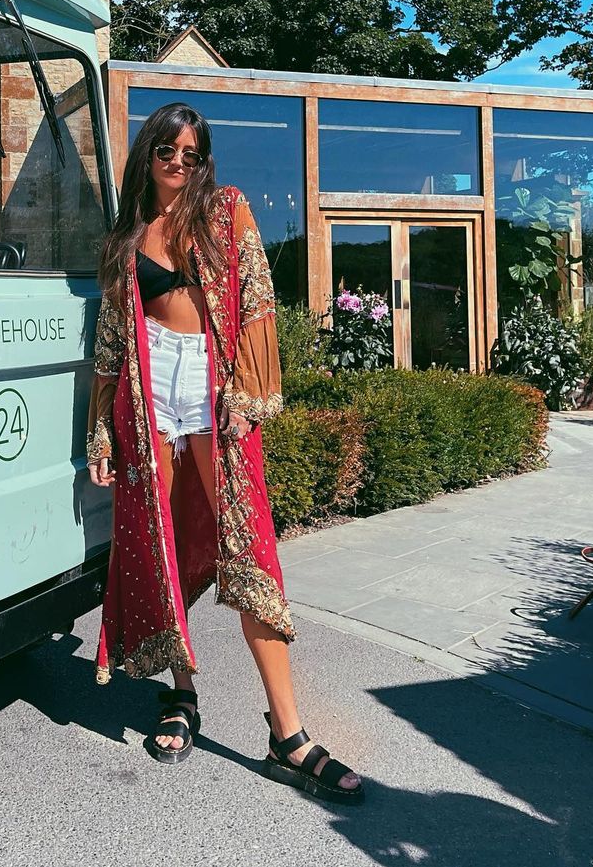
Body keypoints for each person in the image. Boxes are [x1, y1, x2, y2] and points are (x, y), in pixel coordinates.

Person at [86, 102, 363, 805]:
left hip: (212, 386)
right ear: (148, 155)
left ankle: (288, 732)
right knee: (164, 543)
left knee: (249, 548)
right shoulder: (126, 236)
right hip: (148, 392)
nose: (179, 163)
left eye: (192, 153)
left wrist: (248, 391)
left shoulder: (224, 208)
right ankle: (181, 692)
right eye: (167, 151)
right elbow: (112, 341)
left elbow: (256, 296)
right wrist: (101, 430)